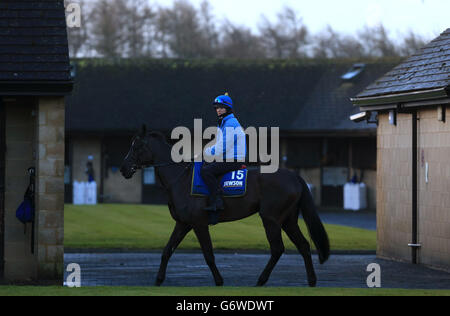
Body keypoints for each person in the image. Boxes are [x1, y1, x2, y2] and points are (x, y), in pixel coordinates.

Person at [201, 93, 246, 224]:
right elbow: (219, 145)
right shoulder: (225, 122)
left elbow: (222, 147)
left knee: (206, 171)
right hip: (228, 159)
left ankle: (217, 201)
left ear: (228, 108)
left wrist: (206, 152)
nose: (218, 110)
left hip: (233, 161)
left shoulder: (231, 123)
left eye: (221, 107)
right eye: (216, 107)